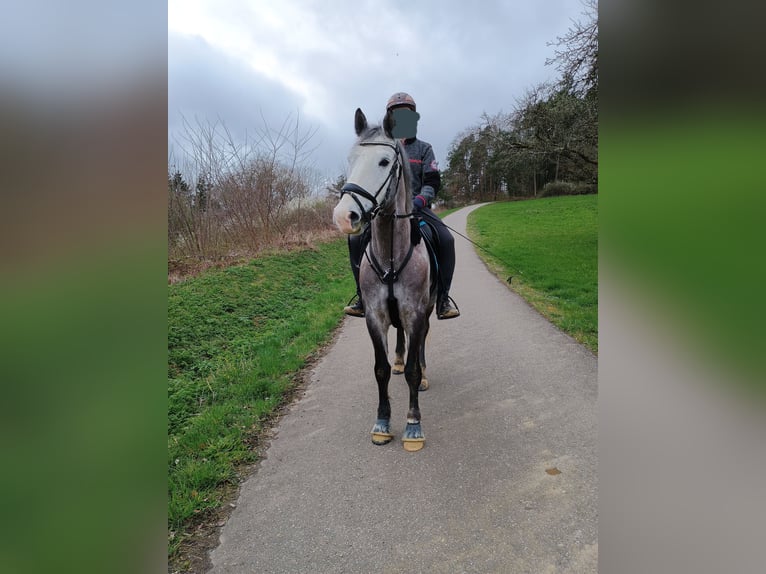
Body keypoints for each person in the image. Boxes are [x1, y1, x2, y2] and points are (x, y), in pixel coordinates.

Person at [344, 91, 460, 320]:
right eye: (397, 115)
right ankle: (361, 296)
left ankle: (443, 298)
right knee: (355, 239)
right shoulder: (380, 146)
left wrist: (419, 200)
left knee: (447, 240)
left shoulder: (424, 149)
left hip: (417, 207)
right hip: (384, 210)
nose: (402, 119)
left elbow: (433, 181)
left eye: (406, 115)